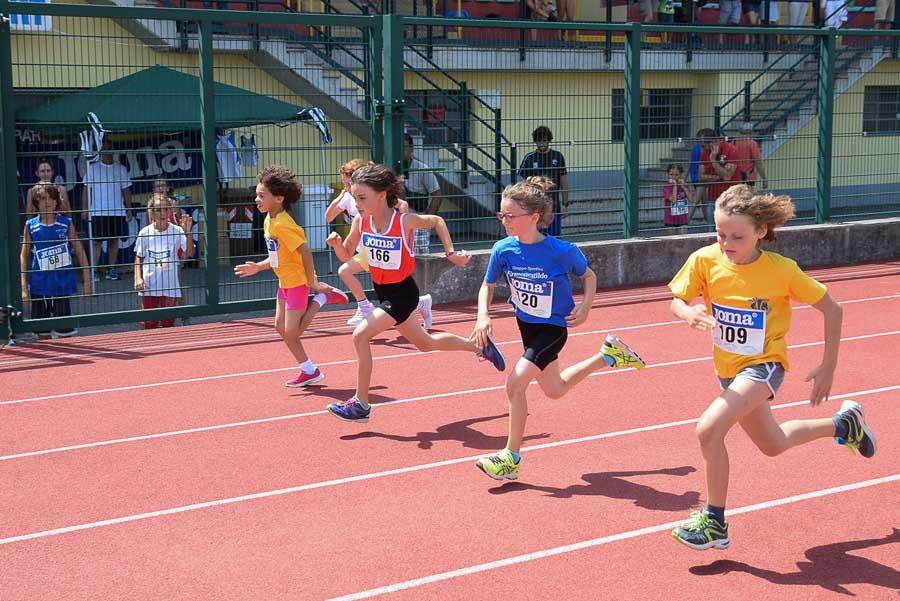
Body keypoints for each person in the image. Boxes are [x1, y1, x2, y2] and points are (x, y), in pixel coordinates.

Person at [667, 184, 876, 551]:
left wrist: (828, 366)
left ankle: (714, 522)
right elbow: (677, 300)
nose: (727, 243)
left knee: (708, 430)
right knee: (773, 444)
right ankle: (845, 424)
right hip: (728, 370)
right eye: (719, 234)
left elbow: (832, 308)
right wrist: (688, 311)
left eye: (737, 236)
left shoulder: (782, 271)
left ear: (760, 232)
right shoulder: (705, 260)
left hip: (763, 366)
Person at [472, 178, 645, 480]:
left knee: (514, 385)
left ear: (534, 217)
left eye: (511, 216)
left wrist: (587, 306)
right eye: (502, 215)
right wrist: (482, 316)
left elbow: (589, 276)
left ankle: (510, 457)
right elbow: (487, 285)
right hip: (526, 326)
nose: (504, 221)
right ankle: (607, 357)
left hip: (553, 328)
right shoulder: (503, 249)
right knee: (555, 390)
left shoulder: (560, 251)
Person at [324, 164, 506, 423]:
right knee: (425, 344)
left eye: (361, 198)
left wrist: (451, 253)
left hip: (402, 294)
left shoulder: (403, 220)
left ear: (382, 194)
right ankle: (479, 347)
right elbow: (346, 255)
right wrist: (335, 245)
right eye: (354, 198)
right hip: (384, 292)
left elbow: (437, 221)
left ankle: (361, 404)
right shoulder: (360, 220)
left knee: (360, 336)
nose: (357, 203)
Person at [234, 165, 349, 387]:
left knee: (292, 331)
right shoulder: (269, 220)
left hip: (298, 282)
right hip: (284, 281)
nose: (256, 200)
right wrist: (258, 267)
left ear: (278, 198)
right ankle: (309, 370)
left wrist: (312, 282)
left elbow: (304, 251)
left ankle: (322, 298)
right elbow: (277, 257)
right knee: (280, 327)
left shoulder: (284, 224)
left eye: (261, 195)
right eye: (256, 195)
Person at [325, 158, 434, 329]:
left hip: (377, 247)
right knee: (394, 295)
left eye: (348, 183)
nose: (346, 188)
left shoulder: (374, 196)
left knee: (345, 271)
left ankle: (364, 306)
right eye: (345, 184)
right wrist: (342, 194)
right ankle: (419, 303)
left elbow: (402, 205)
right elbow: (328, 216)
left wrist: (401, 229)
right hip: (366, 249)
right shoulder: (349, 197)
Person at [20, 184, 91, 339]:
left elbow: (79, 251)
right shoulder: (30, 226)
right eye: (43, 198)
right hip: (39, 286)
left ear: (56, 201)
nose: (48, 202)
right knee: (42, 334)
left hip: (61, 285)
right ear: (36, 202)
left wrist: (87, 282)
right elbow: (24, 255)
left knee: (64, 333)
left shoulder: (66, 223)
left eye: (52, 198)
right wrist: (24, 286)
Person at [134, 195, 194, 329]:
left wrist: (188, 233)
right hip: (150, 286)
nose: (163, 213)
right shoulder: (145, 233)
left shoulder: (177, 231)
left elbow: (190, 253)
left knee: (168, 324)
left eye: (166, 209)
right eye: (158, 210)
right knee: (150, 324)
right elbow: (139, 256)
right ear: (151, 212)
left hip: (169, 286)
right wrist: (138, 278)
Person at [82, 138, 132, 281]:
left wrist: (129, 209)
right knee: (96, 242)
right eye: (104, 148)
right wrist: (85, 209)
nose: (106, 150)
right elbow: (86, 189)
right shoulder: (92, 168)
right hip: (97, 211)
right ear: (100, 150)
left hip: (117, 210)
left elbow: (126, 190)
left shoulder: (121, 169)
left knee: (114, 240)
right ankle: (94, 271)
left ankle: (111, 270)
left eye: (109, 147)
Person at [518, 125, 569, 237]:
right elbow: (522, 184)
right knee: (537, 238)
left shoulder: (558, 156)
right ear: (535, 142)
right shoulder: (529, 158)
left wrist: (565, 204)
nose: (542, 144)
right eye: (539, 141)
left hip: (554, 206)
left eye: (544, 141)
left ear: (549, 141)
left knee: (554, 239)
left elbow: (564, 182)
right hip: (536, 207)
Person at [734, 122, 768, 189]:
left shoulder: (734, 142)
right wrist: (764, 178)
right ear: (750, 131)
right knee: (748, 197)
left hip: (736, 176)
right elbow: (758, 162)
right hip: (748, 176)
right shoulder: (752, 143)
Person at [662, 164, 691, 234]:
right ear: (668, 175)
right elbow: (673, 200)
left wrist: (684, 187)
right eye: (671, 174)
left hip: (682, 219)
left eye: (676, 175)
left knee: (683, 241)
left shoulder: (684, 185)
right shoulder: (666, 187)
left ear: (680, 175)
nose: (674, 177)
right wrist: (675, 186)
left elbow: (691, 199)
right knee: (671, 242)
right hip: (670, 219)